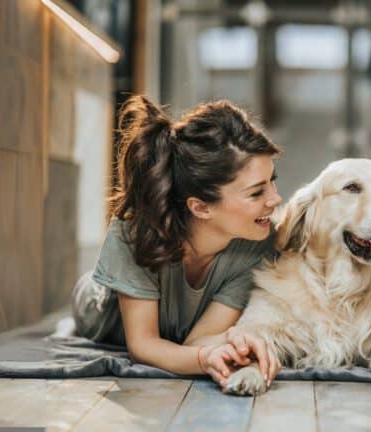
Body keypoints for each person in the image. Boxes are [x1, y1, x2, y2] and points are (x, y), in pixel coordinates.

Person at [72, 95, 282, 387]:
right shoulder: (133, 233)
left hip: (180, 327)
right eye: (257, 192)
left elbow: (196, 341)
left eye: (273, 180)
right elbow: (143, 345)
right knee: (86, 298)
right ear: (201, 207)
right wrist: (203, 359)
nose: (276, 199)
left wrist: (235, 339)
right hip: (101, 312)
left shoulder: (258, 244)